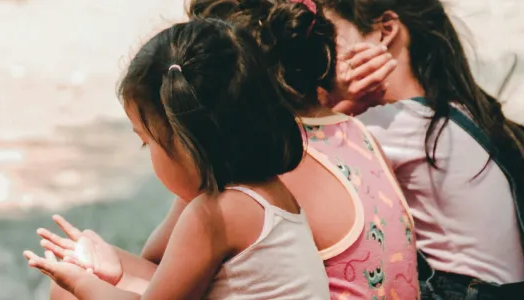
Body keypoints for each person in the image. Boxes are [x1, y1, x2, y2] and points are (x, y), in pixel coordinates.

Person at [40, 0, 419, 298]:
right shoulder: (338, 137)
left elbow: (157, 259)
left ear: (195, 130)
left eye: (147, 143)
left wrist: (84, 284)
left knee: (69, 288)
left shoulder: (224, 206)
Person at [24, 18, 331, 299]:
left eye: (148, 143)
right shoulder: (269, 194)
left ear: (188, 143)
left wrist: (80, 283)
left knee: (67, 295)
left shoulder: (215, 214)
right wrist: (114, 264)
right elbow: (165, 276)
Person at [316, 0, 524, 298]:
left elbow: (292, 158)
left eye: (330, 39)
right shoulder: (463, 116)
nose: (324, 59)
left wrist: (333, 101)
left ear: (385, 31)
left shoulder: (395, 125)